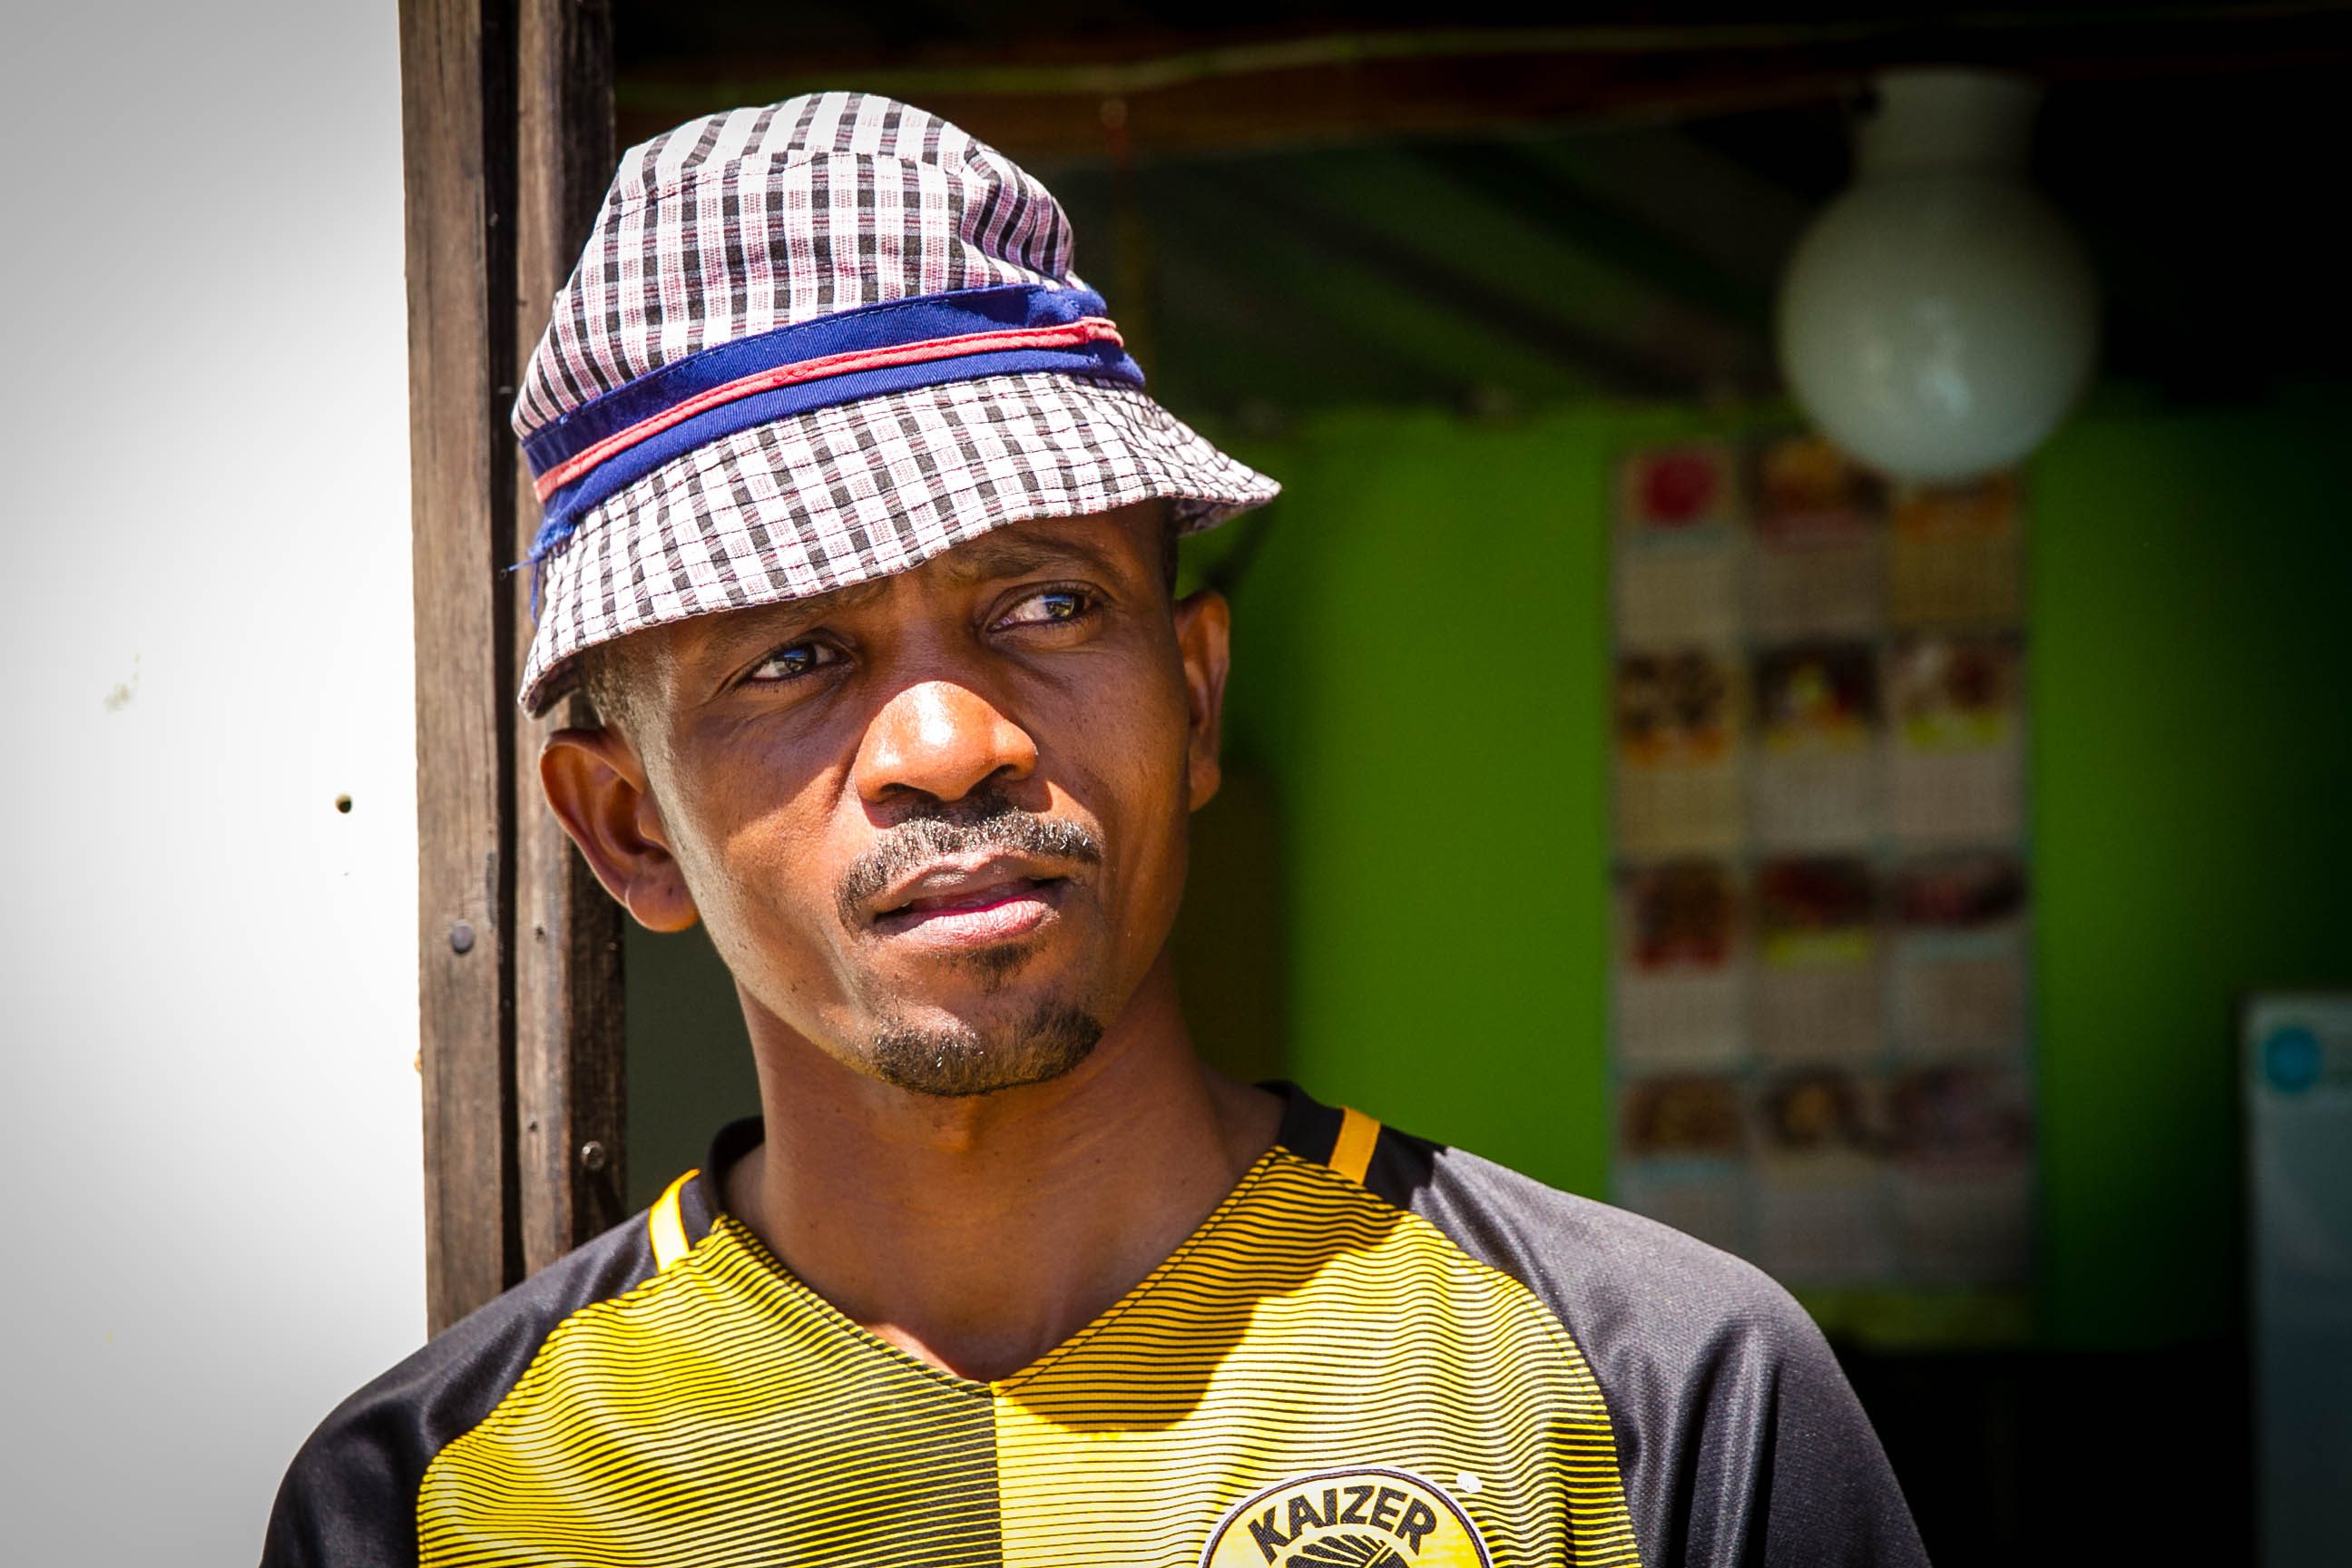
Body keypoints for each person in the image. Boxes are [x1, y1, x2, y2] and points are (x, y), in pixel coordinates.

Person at [264, 91, 1926, 1568]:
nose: (949, 743)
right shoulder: (431, 1504)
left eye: (1047, 602)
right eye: (792, 656)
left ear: (1195, 701)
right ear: (626, 826)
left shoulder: (1655, 1395)